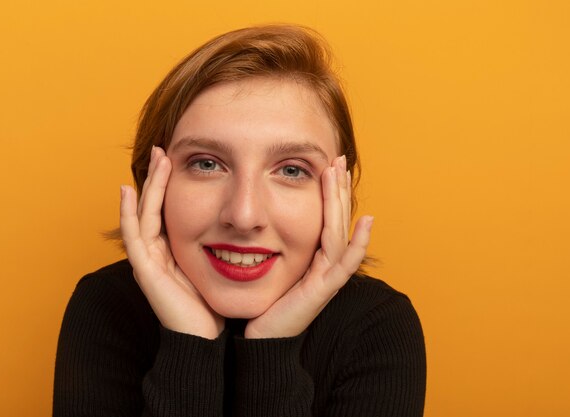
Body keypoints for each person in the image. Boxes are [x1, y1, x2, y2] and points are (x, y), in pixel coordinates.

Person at [53, 25, 426, 417]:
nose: (244, 216)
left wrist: (272, 348)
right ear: (153, 183)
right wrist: (189, 344)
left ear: (339, 193)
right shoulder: (107, 306)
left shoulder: (377, 324)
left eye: (293, 170)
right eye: (207, 164)